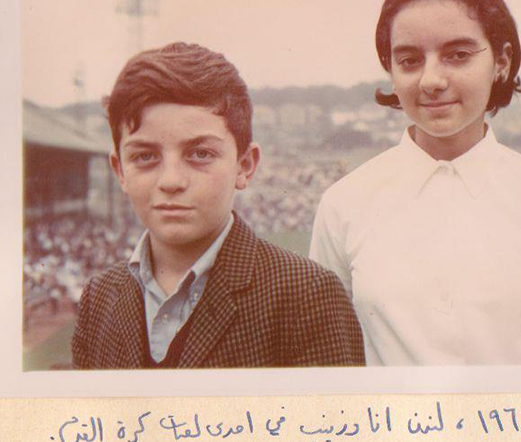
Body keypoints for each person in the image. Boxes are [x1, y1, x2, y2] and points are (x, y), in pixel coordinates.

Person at [310, 0, 521, 365]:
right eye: (410, 60)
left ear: (501, 61)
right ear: (390, 70)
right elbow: (333, 362)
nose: (431, 80)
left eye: (458, 55)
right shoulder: (343, 205)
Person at [72, 42, 364, 369]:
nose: (171, 180)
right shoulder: (98, 298)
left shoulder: (308, 296)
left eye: (200, 154)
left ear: (245, 165)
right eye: (145, 156)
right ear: (120, 171)